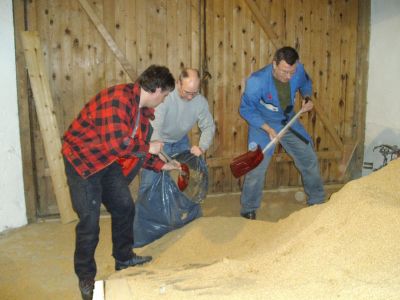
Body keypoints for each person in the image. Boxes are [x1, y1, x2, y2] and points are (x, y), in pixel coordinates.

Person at [62, 65, 180, 300]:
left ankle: (123, 257)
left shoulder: (141, 112)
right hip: (83, 161)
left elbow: (130, 149)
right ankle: (86, 276)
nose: (164, 100)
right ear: (156, 89)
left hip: (107, 160)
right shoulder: (118, 100)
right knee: (89, 222)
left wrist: (160, 165)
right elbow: (118, 146)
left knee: (125, 207)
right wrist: (150, 147)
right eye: (165, 95)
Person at [239, 46, 325, 220]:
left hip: (287, 120)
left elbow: (306, 84)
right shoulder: (256, 81)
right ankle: (249, 207)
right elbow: (246, 110)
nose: (289, 77)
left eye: (292, 72)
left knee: (308, 157)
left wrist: (307, 97)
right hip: (262, 123)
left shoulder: (298, 70)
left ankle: (317, 201)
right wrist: (267, 128)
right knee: (256, 166)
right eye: (285, 72)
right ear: (274, 64)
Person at [138, 68, 215, 193]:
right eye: (187, 92)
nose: (190, 97)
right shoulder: (166, 97)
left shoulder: (200, 102)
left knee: (189, 180)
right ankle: (142, 212)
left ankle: (190, 212)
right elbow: (154, 126)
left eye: (194, 92)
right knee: (149, 182)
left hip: (180, 141)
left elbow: (209, 126)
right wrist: (159, 152)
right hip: (158, 140)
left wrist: (202, 147)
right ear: (178, 83)